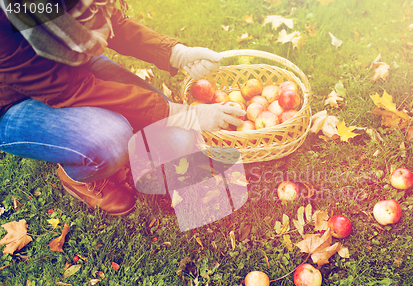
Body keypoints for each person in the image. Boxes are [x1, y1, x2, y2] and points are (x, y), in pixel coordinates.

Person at [0, 0, 245, 216]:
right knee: (111, 140)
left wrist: (175, 53)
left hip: (70, 63)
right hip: (13, 99)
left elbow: (108, 21)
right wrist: (179, 113)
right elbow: (67, 88)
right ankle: (76, 173)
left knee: (175, 136)